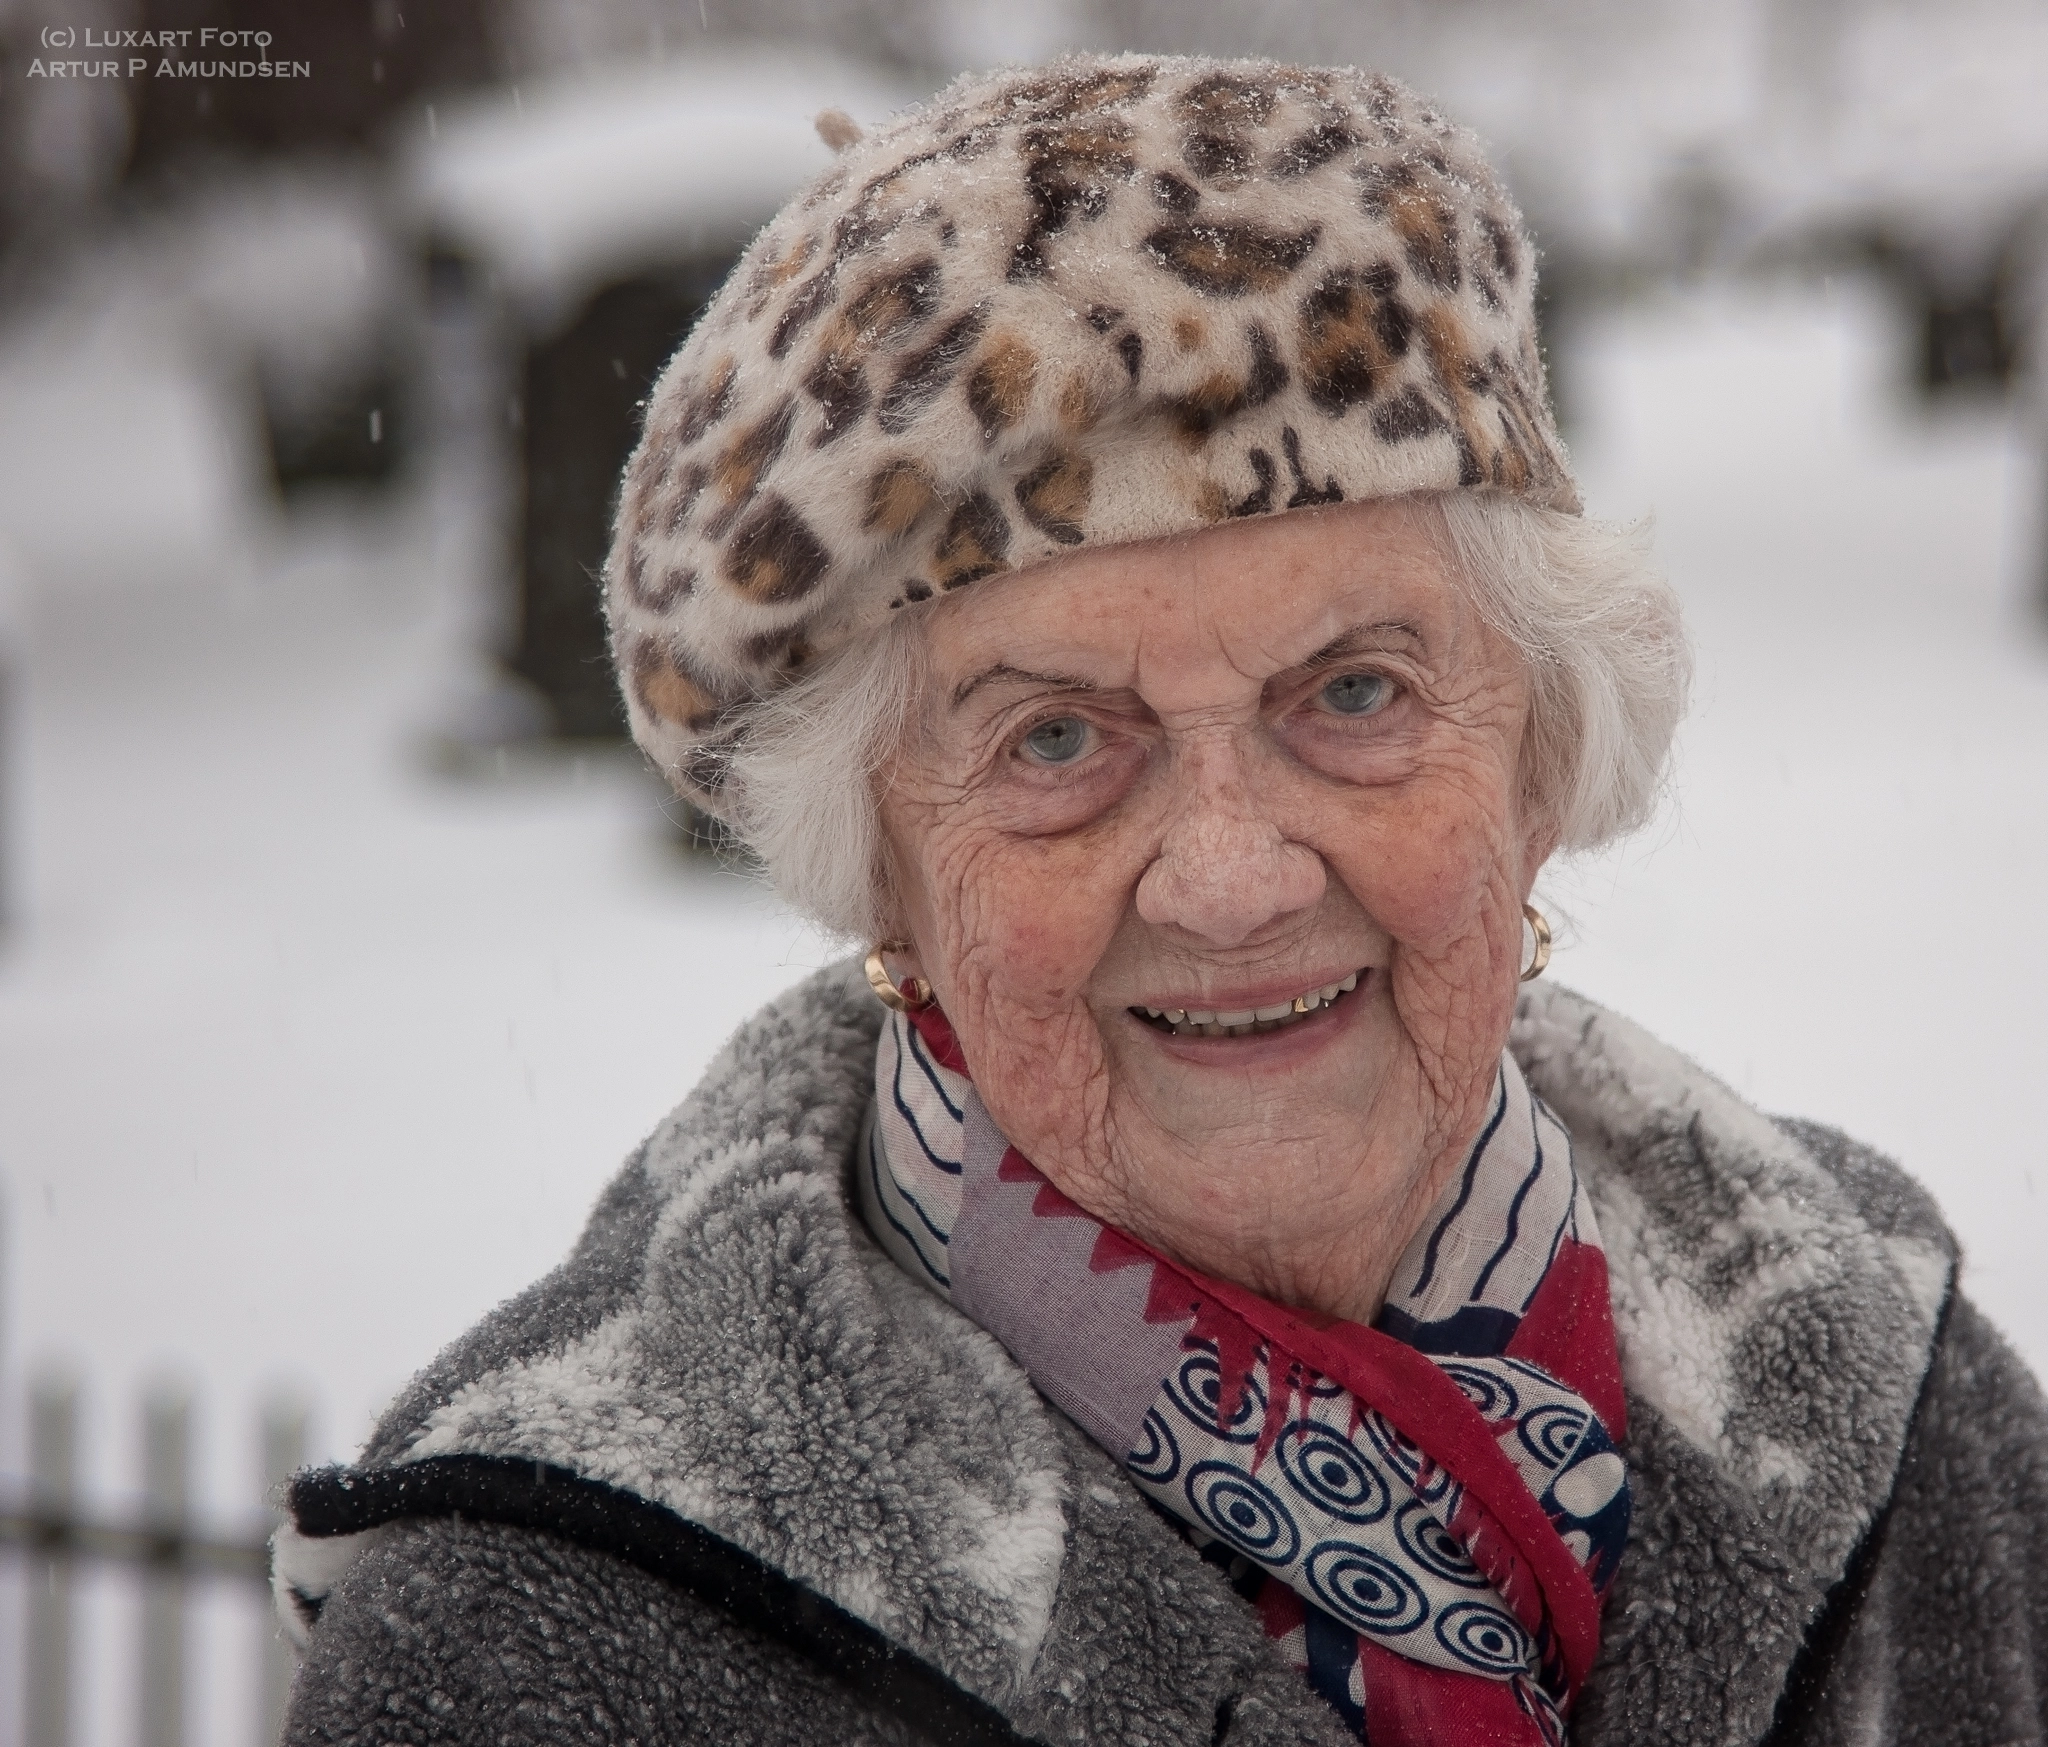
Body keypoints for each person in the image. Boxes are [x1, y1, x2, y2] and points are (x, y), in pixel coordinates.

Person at [271, 53, 2048, 1747]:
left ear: (1537, 760)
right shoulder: (544, 1623)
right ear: (877, 862)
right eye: (1056, 737)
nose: (1230, 876)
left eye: (1354, 693)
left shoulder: (1892, 1391)